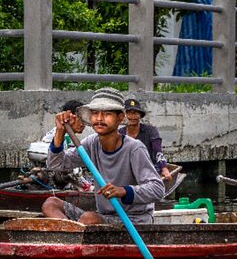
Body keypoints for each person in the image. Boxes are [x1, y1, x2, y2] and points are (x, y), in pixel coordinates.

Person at [41, 87, 165, 224]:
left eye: (107, 114)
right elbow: (55, 165)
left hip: (133, 219)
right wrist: (60, 132)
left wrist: (123, 191)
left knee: (88, 219)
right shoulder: (91, 143)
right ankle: (70, 233)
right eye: (95, 113)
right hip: (104, 215)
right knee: (50, 204)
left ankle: (76, 233)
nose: (99, 118)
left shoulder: (134, 148)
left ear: (120, 118)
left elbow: (157, 188)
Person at [119, 98, 172, 182]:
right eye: (129, 113)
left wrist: (164, 168)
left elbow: (158, 151)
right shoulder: (120, 133)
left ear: (140, 115)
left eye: (135, 113)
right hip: (128, 171)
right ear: (123, 116)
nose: (132, 116)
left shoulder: (151, 130)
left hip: (149, 169)